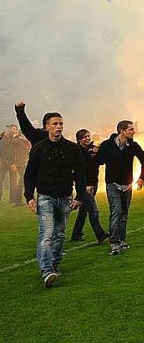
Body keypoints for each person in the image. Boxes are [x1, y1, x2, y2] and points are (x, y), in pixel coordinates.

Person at [22, 112, 85, 287]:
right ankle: (47, 270)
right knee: (47, 234)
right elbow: (30, 175)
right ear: (46, 127)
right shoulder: (38, 149)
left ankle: (55, 264)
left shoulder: (72, 148)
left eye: (61, 124)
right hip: (45, 197)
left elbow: (80, 173)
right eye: (55, 124)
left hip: (65, 196)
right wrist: (29, 197)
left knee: (60, 234)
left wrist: (79, 196)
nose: (58, 127)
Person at [96, 120, 144, 255]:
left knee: (124, 213)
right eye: (130, 129)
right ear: (122, 131)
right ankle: (114, 242)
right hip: (113, 184)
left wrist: (141, 177)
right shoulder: (107, 145)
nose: (133, 131)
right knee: (116, 211)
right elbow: (98, 161)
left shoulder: (133, 145)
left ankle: (122, 239)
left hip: (128, 184)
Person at [70, 129, 109, 244]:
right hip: (84, 184)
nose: (87, 139)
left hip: (93, 182)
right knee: (93, 209)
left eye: (88, 136)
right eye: (84, 137)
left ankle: (76, 233)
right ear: (78, 140)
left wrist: (99, 152)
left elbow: (99, 162)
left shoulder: (93, 149)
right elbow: (76, 169)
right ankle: (100, 234)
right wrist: (84, 184)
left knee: (84, 210)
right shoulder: (76, 151)